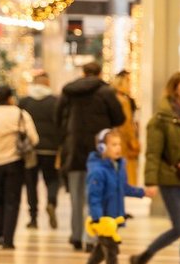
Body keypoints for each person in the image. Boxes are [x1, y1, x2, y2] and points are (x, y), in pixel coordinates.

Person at [130, 72, 180, 264]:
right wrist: (151, 181)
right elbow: (152, 154)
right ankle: (142, 257)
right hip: (171, 177)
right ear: (175, 88)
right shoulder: (161, 119)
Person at [56, 61, 126, 251]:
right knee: (95, 195)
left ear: (83, 73)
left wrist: (66, 137)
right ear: (100, 73)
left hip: (74, 149)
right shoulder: (106, 92)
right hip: (98, 151)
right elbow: (120, 118)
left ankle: (76, 236)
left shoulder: (69, 92)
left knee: (76, 196)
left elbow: (58, 117)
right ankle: (92, 238)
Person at [75, 130, 152, 264]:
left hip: (114, 219)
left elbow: (123, 188)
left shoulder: (119, 166)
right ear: (102, 148)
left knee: (100, 252)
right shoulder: (98, 171)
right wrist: (97, 219)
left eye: (119, 144)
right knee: (112, 252)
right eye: (113, 145)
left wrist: (142, 192)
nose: (118, 148)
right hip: (103, 221)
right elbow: (94, 197)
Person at [0, 85, 39, 250]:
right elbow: (34, 138)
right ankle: (8, 239)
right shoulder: (20, 114)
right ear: (11, 97)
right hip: (14, 162)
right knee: (12, 200)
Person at [19, 72, 62, 229]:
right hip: (51, 149)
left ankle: (33, 218)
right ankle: (51, 202)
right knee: (52, 180)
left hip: (30, 150)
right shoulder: (56, 102)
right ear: (47, 84)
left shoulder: (25, 102)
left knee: (31, 183)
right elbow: (61, 124)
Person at [111, 70, 141, 186]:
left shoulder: (113, 98)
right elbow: (127, 124)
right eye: (128, 82)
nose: (130, 85)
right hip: (123, 142)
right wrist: (133, 141)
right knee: (127, 174)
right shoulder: (124, 100)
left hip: (113, 140)